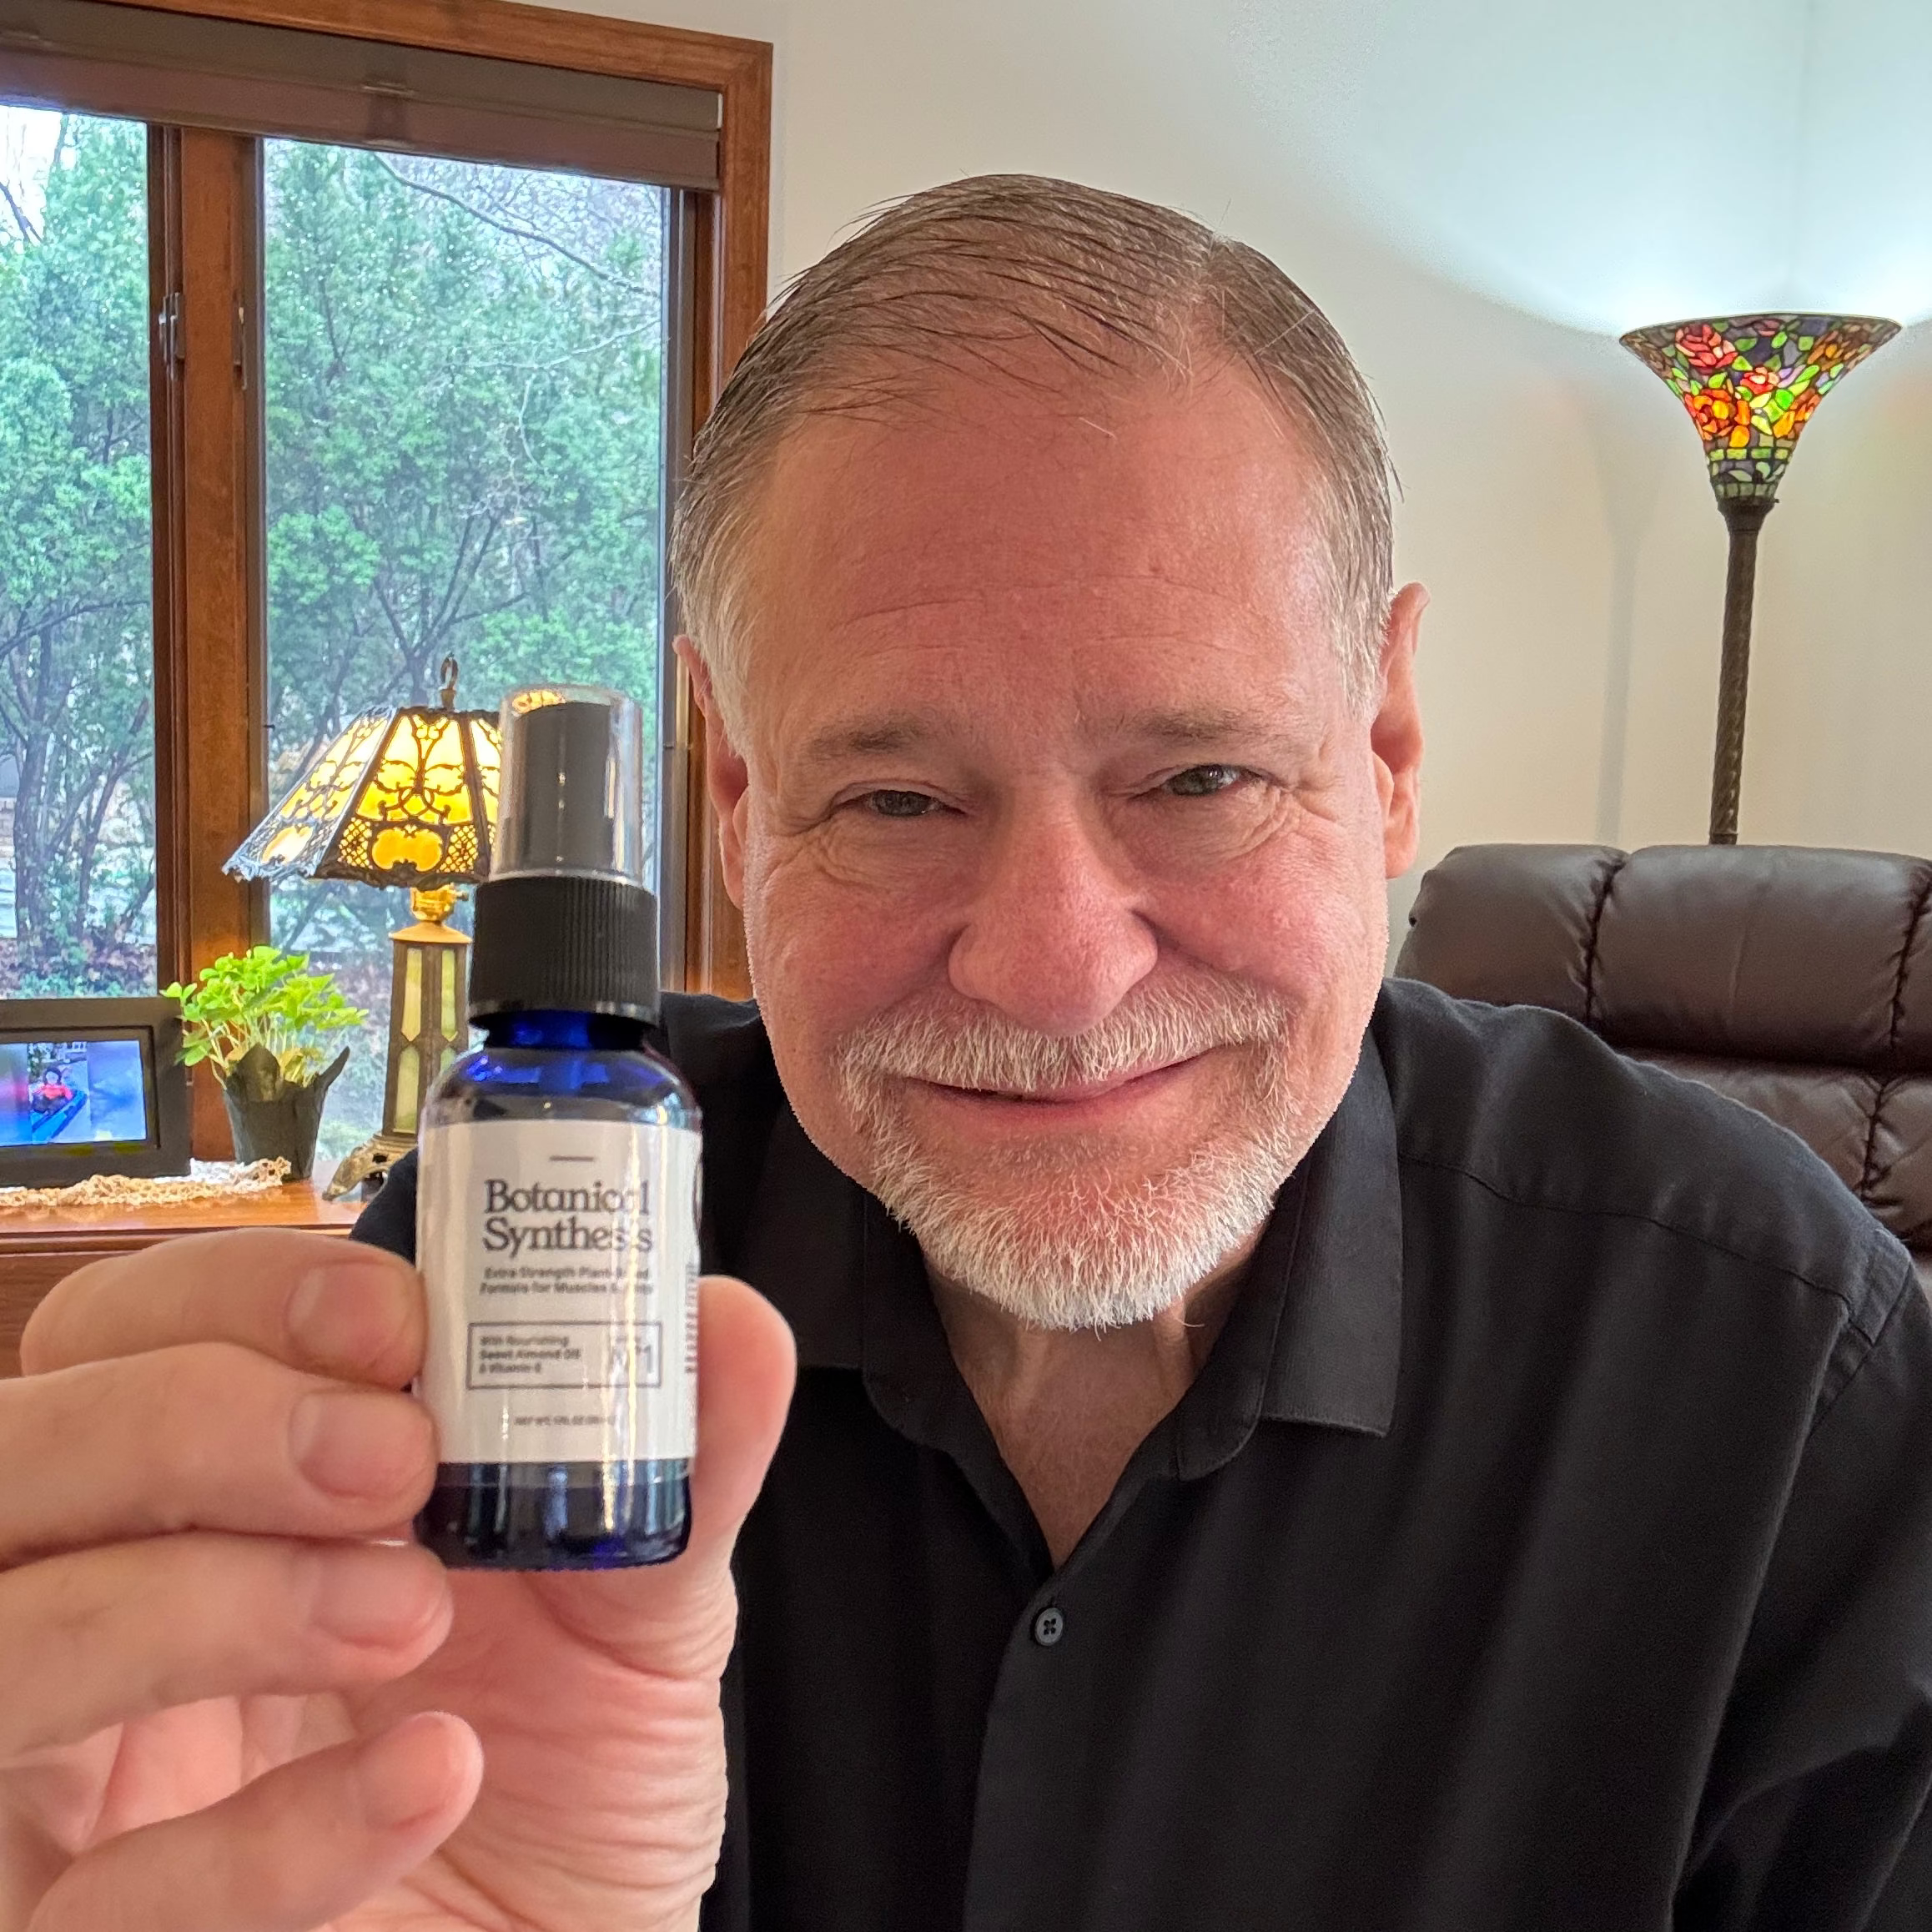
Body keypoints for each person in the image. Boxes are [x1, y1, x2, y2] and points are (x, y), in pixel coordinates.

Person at [3, 174, 1929, 1932]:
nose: (1056, 973)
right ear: (742, 797)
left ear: (1390, 750)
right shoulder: (532, 1256)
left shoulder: (1781, 1386)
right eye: (900, 799)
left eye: (1200, 777)